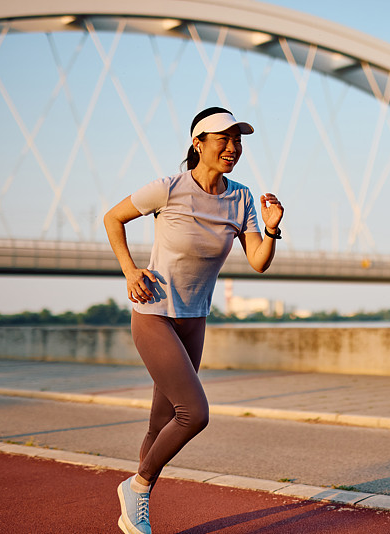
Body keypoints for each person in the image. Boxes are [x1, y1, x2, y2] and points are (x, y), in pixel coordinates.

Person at [103, 107, 284, 534]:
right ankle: (138, 486)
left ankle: (134, 512)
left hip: (193, 319)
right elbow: (113, 218)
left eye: (238, 140)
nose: (233, 147)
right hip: (154, 316)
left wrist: (272, 229)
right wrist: (130, 271)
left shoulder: (241, 198)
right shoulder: (168, 189)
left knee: (159, 424)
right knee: (194, 413)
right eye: (223, 139)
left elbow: (258, 261)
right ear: (198, 143)